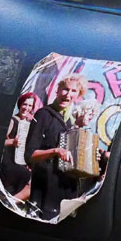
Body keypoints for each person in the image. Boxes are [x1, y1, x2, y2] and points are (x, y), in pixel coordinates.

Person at [24, 73, 87, 221]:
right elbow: (29, 154)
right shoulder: (43, 115)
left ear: (78, 95)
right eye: (65, 89)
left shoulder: (72, 121)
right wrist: (55, 151)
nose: (68, 95)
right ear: (57, 90)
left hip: (67, 186)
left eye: (74, 91)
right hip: (46, 185)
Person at [0, 92, 39, 200]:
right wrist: (12, 142)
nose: (27, 108)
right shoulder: (12, 120)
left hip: (19, 161)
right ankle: (10, 201)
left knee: (34, 178)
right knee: (26, 176)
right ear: (20, 105)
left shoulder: (28, 124)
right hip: (7, 160)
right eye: (24, 104)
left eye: (30, 105)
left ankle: (11, 201)